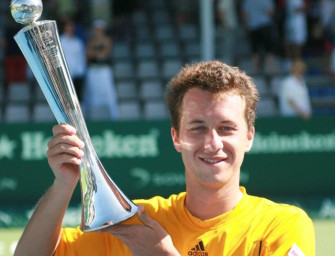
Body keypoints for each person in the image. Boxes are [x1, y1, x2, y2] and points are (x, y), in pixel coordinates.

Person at [14, 61, 315, 256]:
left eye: (226, 128)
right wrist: (64, 183)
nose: (213, 143)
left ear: (249, 136)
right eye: (198, 128)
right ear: (176, 137)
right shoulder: (137, 225)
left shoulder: (282, 225)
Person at [83, 19, 119, 120]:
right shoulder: (91, 40)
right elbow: (88, 55)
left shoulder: (107, 39)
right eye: (96, 29)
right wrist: (97, 54)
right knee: (91, 94)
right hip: (93, 69)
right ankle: (90, 118)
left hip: (104, 69)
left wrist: (95, 53)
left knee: (109, 94)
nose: (98, 31)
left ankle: (114, 118)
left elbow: (104, 54)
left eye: (100, 29)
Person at [241, 0, 277, 74]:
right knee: (269, 50)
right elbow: (271, 12)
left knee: (255, 50)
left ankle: (255, 70)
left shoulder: (247, 1)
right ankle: (270, 69)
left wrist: (246, 26)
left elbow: (244, 14)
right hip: (266, 26)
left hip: (253, 27)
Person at [60, 20, 87, 101]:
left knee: (78, 98)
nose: (70, 29)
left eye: (71, 27)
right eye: (68, 27)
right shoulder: (59, 40)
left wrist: (81, 72)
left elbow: (81, 58)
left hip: (77, 75)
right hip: (63, 74)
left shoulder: (78, 42)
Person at [283, 0, 308, 71]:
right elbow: (297, 9)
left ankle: (293, 66)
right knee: (295, 45)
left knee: (295, 44)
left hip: (296, 24)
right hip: (295, 25)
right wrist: (306, 8)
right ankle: (294, 67)